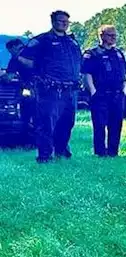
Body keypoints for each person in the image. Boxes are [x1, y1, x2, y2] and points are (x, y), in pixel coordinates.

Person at [17, 10, 82, 163]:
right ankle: (45, 156)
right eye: (61, 21)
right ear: (53, 22)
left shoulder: (71, 41)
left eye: (67, 21)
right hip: (50, 90)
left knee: (67, 123)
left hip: (70, 90)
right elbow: (22, 58)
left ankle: (61, 152)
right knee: (46, 124)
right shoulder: (42, 40)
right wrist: (39, 70)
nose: (64, 24)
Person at [82, 25, 126, 157]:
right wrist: (93, 91)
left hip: (117, 95)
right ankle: (100, 153)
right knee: (100, 125)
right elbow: (86, 74)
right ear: (101, 36)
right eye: (110, 35)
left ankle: (113, 153)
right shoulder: (92, 53)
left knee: (116, 124)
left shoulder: (118, 53)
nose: (113, 38)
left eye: (115, 36)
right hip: (101, 95)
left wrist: (124, 89)